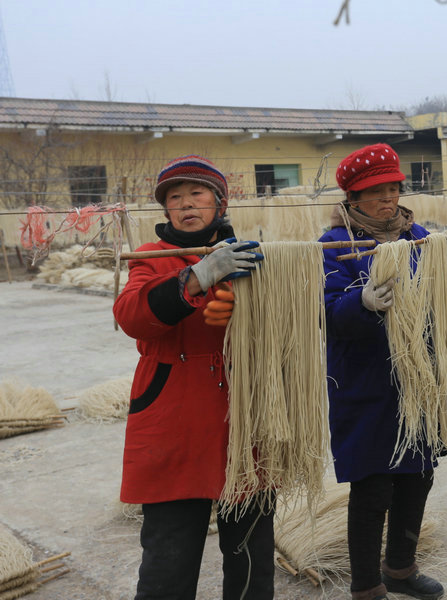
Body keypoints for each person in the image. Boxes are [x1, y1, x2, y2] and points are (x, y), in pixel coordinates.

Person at [318, 143, 447, 600]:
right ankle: (367, 586)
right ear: (352, 200)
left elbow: (439, 305)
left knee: (418, 475)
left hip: (419, 379)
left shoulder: (421, 236)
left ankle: (401, 570)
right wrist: (361, 303)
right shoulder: (334, 247)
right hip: (366, 383)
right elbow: (324, 312)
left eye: (392, 189)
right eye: (375, 193)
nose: (387, 200)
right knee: (373, 486)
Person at [113, 155, 273, 600]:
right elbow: (132, 316)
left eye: (196, 194)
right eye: (174, 198)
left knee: (251, 550)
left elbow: (287, 322)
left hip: (243, 414)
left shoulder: (251, 255)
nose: (185, 204)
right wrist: (197, 278)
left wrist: (247, 319)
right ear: (165, 211)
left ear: (219, 203)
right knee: (170, 550)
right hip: (174, 415)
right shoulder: (151, 257)